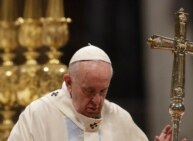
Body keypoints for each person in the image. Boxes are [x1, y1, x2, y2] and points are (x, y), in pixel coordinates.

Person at [8, 44, 166, 141]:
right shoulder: (38, 115)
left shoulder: (119, 118)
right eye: (89, 91)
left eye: (103, 91)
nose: (97, 101)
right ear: (69, 83)